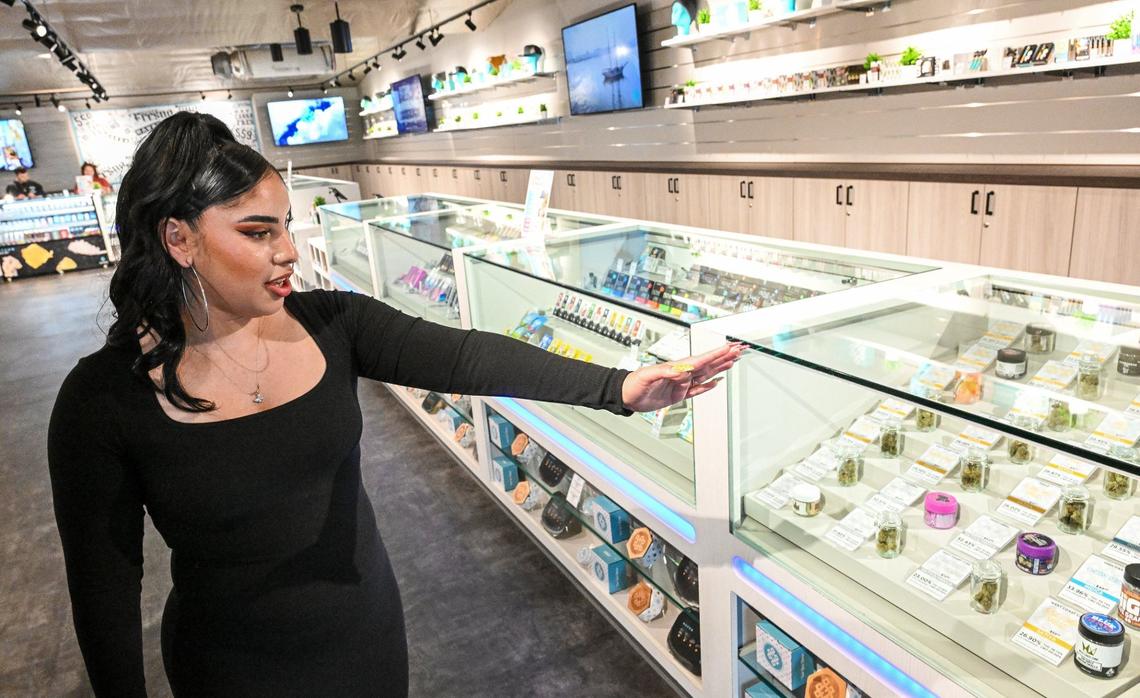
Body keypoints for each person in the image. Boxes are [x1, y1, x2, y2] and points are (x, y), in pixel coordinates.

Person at [47, 111, 742, 697]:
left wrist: (618, 385)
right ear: (179, 239)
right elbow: (105, 592)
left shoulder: (332, 323)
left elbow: (466, 356)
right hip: (232, 669)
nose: (288, 250)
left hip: (367, 639)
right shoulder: (102, 402)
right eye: (258, 233)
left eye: (288, 225)